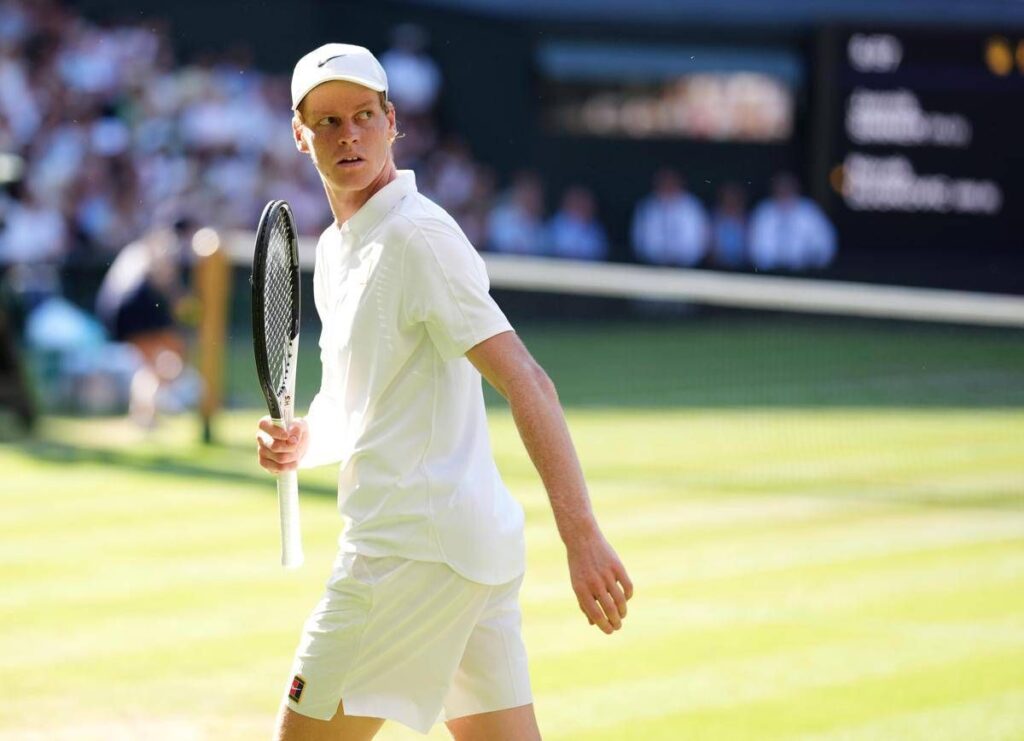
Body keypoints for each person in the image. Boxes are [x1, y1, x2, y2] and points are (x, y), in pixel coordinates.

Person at [257, 44, 633, 741]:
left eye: (364, 116)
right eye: (329, 120)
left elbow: (527, 379)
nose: (349, 135)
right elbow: (353, 403)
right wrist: (303, 442)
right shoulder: (338, 249)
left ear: (392, 122)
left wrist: (581, 535)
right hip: (466, 550)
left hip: (409, 552)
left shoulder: (419, 236)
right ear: (300, 135)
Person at [748, 172, 837, 272]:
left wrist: (808, 261)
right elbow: (754, 247)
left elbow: (825, 245)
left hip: (805, 273)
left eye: (787, 188)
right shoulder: (764, 211)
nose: (784, 192)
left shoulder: (809, 211)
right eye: (780, 188)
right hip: (768, 273)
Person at [630, 169, 709, 267]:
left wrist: (681, 258)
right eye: (663, 182)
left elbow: (699, 240)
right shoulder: (646, 206)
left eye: (671, 182)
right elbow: (641, 240)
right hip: (652, 266)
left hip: (687, 266)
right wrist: (659, 257)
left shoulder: (693, 205)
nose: (668, 186)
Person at [545, 185, 609, 260]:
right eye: (578, 201)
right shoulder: (554, 226)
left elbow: (600, 253)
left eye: (586, 202)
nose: (582, 205)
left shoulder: (596, 229)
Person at [708, 182, 749, 269]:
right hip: (716, 266)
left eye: (734, 198)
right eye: (728, 198)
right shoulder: (713, 219)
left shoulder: (747, 220)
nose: (731, 201)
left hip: (742, 267)